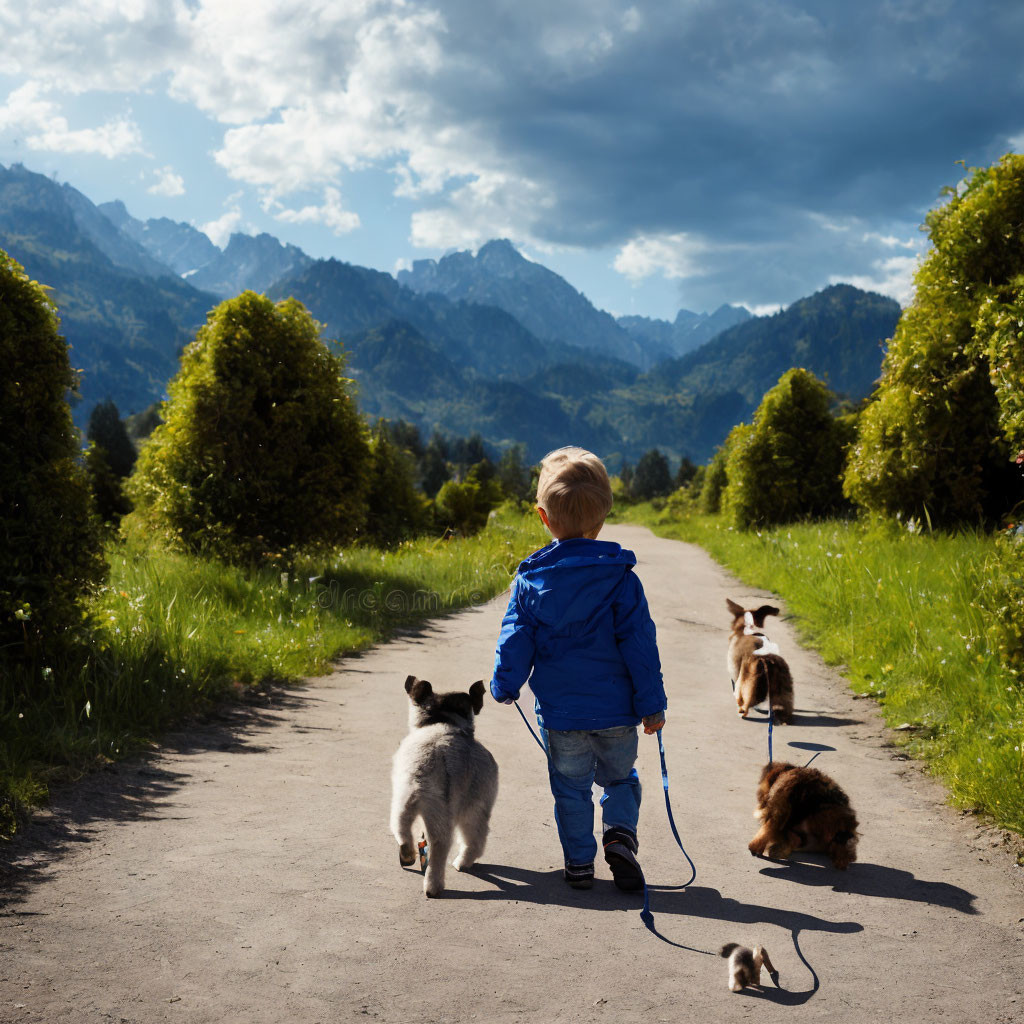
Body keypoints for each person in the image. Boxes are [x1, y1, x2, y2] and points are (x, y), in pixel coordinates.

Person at [490, 446, 667, 891]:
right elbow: (641, 646)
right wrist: (652, 704)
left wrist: (504, 684)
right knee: (621, 778)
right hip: (618, 714)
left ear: (543, 518)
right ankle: (620, 836)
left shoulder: (531, 583)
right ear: (603, 516)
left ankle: (579, 864)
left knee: (570, 789)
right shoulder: (623, 579)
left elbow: (516, 640)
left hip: (563, 716)